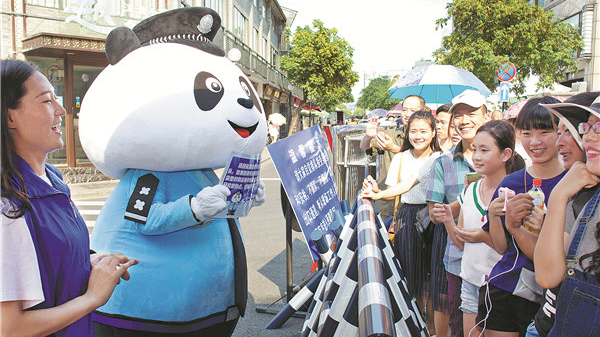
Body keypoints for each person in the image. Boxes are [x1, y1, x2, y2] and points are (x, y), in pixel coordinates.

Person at [0, 59, 137, 336]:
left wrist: (85, 263)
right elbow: (10, 328)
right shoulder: (8, 205)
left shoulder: (52, 179)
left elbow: (46, 263)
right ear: (10, 117)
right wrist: (92, 298)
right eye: (47, 101)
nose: (62, 111)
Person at [477, 96, 565, 337]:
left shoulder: (574, 183)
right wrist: (496, 216)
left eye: (545, 131)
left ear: (563, 132)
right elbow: (500, 246)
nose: (534, 142)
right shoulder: (512, 182)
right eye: (526, 133)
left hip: (555, 298)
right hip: (507, 289)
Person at [436, 120, 525, 336]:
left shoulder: (515, 193)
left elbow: (507, 247)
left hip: (501, 286)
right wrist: (449, 219)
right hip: (470, 282)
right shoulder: (470, 190)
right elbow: (460, 242)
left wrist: (483, 237)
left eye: (485, 150)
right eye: (475, 149)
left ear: (505, 154)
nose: (476, 156)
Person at [532, 94, 600, 337]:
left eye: (598, 128)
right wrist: (559, 196)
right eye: (587, 127)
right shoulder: (584, 196)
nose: (588, 136)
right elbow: (547, 276)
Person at [362, 110, 441, 312]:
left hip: (433, 218)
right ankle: (413, 320)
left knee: (432, 278)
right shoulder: (400, 158)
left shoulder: (440, 158)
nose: (418, 136)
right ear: (406, 133)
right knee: (410, 275)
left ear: (433, 133)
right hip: (407, 217)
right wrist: (377, 191)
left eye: (424, 131)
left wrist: (378, 194)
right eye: (413, 131)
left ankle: (431, 327)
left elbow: (407, 185)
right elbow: (392, 193)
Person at [427, 89, 489, 337]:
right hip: (457, 256)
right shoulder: (443, 162)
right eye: (459, 115)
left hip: (495, 260)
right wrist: (459, 204)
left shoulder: (506, 158)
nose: (464, 120)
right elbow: (434, 213)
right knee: (459, 324)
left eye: (471, 114)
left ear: (485, 116)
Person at [360, 95, 426, 221]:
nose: (407, 114)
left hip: (413, 206)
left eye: (413, 110)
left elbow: (420, 157)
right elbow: (365, 147)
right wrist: (368, 136)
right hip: (386, 203)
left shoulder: (425, 139)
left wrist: (393, 148)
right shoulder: (390, 134)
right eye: (404, 109)